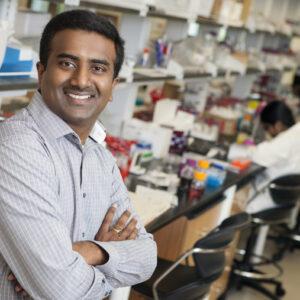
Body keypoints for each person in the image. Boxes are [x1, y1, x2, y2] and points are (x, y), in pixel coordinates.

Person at [0, 9, 157, 299]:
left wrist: (90, 252)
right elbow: (61, 290)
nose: (81, 80)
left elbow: (147, 256)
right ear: (41, 72)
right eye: (68, 63)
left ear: (113, 87)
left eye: (98, 68)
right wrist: (106, 267)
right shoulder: (16, 147)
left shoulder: (99, 155)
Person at [246, 100, 300, 213]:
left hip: (268, 199)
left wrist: (249, 149)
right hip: (289, 198)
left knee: (235, 195)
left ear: (278, 125)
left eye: (267, 128)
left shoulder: (288, 139)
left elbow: (258, 156)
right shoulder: (296, 132)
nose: (267, 132)